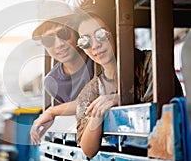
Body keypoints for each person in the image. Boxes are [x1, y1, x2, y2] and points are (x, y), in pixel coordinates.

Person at [31, 11, 183, 158]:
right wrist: (98, 115)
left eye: (101, 35)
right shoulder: (90, 90)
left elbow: (163, 116)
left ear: (116, 32)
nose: (95, 45)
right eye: (86, 41)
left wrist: (120, 99)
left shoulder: (150, 62)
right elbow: (88, 149)